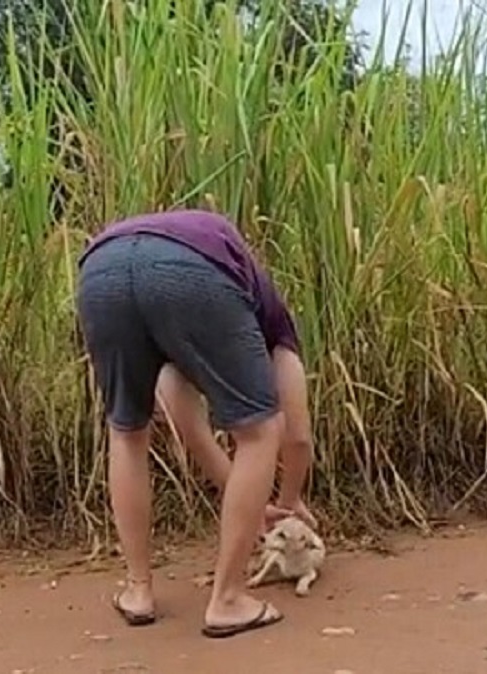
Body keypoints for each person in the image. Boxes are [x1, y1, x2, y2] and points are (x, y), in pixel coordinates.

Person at [75, 209, 315, 638]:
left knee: (126, 431)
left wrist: (255, 503)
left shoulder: (179, 347)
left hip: (100, 268)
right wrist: (290, 499)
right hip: (190, 268)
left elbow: (190, 427)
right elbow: (294, 434)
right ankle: (227, 600)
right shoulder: (275, 320)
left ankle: (138, 591)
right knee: (260, 431)